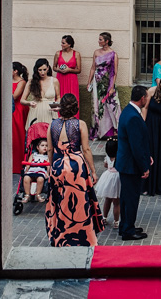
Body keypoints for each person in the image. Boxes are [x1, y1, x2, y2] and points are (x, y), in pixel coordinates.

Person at [45, 94, 104, 246]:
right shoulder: (80, 124)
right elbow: (86, 149)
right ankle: (82, 235)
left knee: (60, 201)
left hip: (58, 165)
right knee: (79, 202)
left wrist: (52, 167)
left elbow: (50, 149)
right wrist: (93, 171)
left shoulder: (52, 125)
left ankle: (60, 236)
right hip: (76, 166)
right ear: (75, 108)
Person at [115, 85, 152, 240]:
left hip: (125, 162)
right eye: (147, 98)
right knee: (131, 199)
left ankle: (125, 225)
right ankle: (128, 230)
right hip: (130, 165)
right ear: (142, 98)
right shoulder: (134, 117)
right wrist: (144, 166)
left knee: (126, 197)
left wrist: (147, 155)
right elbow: (136, 145)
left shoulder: (127, 111)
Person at [89, 32, 121, 140]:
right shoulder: (96, 52)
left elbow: (115, 72)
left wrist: (111, 87)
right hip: (97, 83)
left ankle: (113, 131)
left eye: (100, 39)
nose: (98, 41)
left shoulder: (113, 54)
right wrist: (89, 82)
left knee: (112, 106)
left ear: (106, 41)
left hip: (108, 82)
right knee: (98, 106)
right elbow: (93, 68)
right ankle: (98, 132)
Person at [23, 58, 59, 130]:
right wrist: (29, 103)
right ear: (37, 70)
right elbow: (22, 100)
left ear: (48, 68)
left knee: (51, 135)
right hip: (36, 111)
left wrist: (56, 106)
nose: (42, 72)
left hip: (50, 111)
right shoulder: (31, 82)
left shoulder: (54, 81)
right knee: (35, 136)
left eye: (44, 69)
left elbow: (58, 97)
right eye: (40, 70)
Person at [52, 35, 82, 117]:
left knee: (72, 99)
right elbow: (54, 67)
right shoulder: (58, 53)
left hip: (72, 80)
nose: (61, 44)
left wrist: (69, 70)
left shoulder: (76, 54)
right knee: (58, 97)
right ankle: (56, 117)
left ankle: (74, 119)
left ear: (69, 44)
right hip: (60, 79)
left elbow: (79, 70)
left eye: (63, 43)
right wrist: (59, 70)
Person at [94, 139, 121, 227]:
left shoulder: (108, 156)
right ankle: (116, 222)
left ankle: (104, 217)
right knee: (116, 203)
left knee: (107, 200)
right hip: (117, 178)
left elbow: (106, 165)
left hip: (108, 177)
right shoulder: (119, 156)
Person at [11, 61, 30, 174]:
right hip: (10, 108)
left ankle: (18, 164)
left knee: (18, 135)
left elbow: (15, 96)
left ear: (15, 71)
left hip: (17, 110)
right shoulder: (7, 80)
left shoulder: (21, 82)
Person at [20, 137, 50, 202]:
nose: (45, 147)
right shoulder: (33, 155)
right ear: (37, 147)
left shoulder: (47, 157)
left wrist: (48, 172)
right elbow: (28, 163)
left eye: (47, 146)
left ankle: (38, 194)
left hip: (41, 171)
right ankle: (27, 195)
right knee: (26, 178)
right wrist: (26, 169)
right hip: (32, 170)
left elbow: (48, 166)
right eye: (42, 145)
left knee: (40, 179)